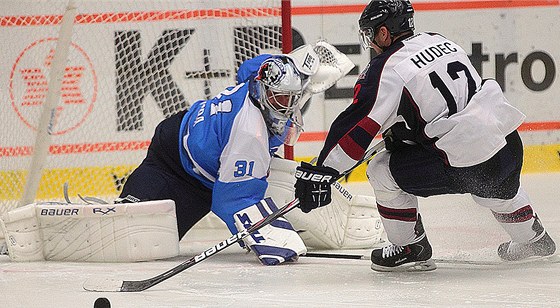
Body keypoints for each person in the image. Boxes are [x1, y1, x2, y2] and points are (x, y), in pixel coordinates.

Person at [294, 0, 556, 271]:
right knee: (498, 185)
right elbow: (450, 106)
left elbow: (355, 126)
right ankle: (534, 240)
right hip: (507, 142)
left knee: (381, 169)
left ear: (384, 33)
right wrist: (408, 134)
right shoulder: (440, 41)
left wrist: (321, 171)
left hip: (469, 163)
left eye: (372, 34)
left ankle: (410, 246)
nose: (371, 43)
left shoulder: (385, 69)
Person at [117, 53, 313, 265]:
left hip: (202, 173)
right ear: (264, 90)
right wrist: (271, 239)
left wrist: (298, 64)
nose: (287, 105)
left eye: (292, 97)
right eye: (280, 97)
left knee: (153, 239)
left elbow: (248, 67)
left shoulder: (255, 80)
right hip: (172, 162)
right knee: (134, 240)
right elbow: (231, 200)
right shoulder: (249, 133)